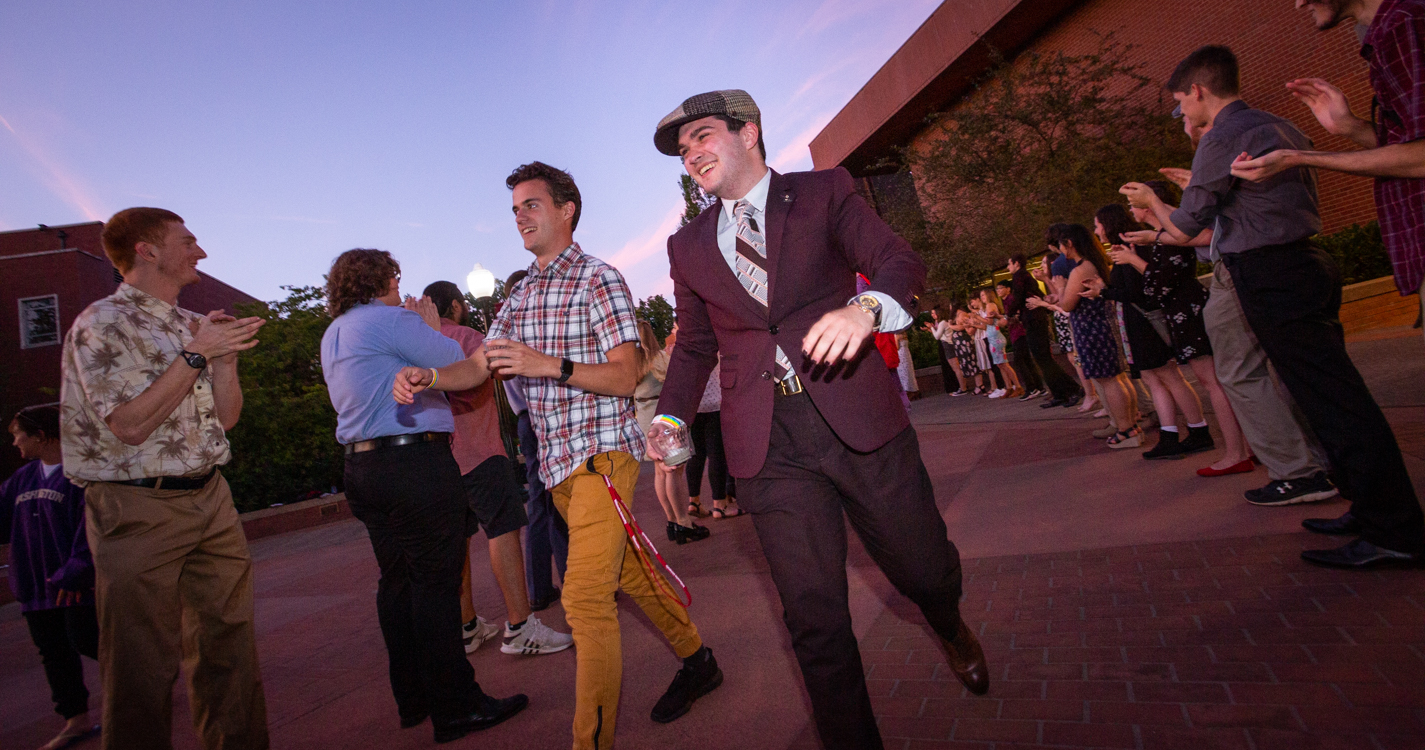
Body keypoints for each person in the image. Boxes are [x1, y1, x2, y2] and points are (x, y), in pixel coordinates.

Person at [649, 89, 988, 750]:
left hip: (856, 418)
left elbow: (897, 262)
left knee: (920, 568)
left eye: (703, 136)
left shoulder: (822, 192)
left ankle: (946, 622)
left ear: (748, 132)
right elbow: (693, 345)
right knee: (813, 617)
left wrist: (865, 310)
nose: (691, 154)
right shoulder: (685, 246)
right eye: (683, 148)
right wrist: (669, 416)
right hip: (766, 446)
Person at [397, 161, 715, 749]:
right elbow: (480, 366)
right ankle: (699, 659)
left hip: (604, 458)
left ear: (566, 209)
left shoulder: (599, 279)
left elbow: (627, 376)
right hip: (558, 468)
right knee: (629, 573)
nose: (519, 215)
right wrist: (432, 375)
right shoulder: (522, 294)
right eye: (514, 207)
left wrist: (549, 366)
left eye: (531, 204)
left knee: (585, 598)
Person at [1131, 44, 1424, 568]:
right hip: (1304, 262)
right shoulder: (1279, 125)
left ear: (1197, 91)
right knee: (1326, 395)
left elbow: (1186, 226)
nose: (1183, 115)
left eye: (1180, 104)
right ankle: (1369, 507)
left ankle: (1395, 529)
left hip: (1270, 272)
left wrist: (1155, 204)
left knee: (1335, 400)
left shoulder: (1220, 138)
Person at [59, 207, 269, 750]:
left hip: (212, 499)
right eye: (189, 240)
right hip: (137, 509)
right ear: (147, 251)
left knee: (231, 648)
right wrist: (199, 353)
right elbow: (128, 425)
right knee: (141, 665)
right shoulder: (101, 324)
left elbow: (226, 419)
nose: (200, 251)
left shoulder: (188, 324)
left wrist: (223, 362)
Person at [321, 249, 528, 743]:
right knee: (436, 585)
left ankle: (412, 697)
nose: (401, 283)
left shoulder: (334, 333)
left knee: (396, 582)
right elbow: (461, 368)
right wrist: (429, 328)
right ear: (379, 280)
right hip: (412, 462)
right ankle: (457, 705)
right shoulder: (392, 321)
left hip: (361, 465)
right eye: (394, 275)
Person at [1124, 151, 1336, 498]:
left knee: (1238, 375)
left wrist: (1155, 218)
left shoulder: (1234, 164)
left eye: (1190, 114)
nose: (1188, 123)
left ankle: (1294, 470)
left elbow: (1197, 234)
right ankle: (1310, 464)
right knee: (1275, 371)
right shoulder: (1248, 167)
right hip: (1259, 271)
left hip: (1238, 276)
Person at [1239, 0, 1425, 346]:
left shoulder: (1403, 24)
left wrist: (1297, 158)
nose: (1299, 3)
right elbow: (1410, 148)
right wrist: (1349, 127)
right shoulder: (1390, 32)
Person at [421, 280, 574, 656]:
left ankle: (467, 624)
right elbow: (478, 382)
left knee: (459, 539)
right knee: (502, 531)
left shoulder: (415, 342)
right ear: (455, 305)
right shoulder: (465, 337)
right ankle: (520, 626)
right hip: (479, 449)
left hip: (440, 458)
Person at [1116, 183, 1255, 472]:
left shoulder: (1169, 236)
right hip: (1183, 310)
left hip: (1187, 311)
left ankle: (1237, 454)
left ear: (1147, 205)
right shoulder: (1164, 236)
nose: (1130, 210)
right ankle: (1247, 447)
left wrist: (1132, 260)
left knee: (1215, 382)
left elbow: (1159, 282)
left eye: (1132, 203)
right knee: (1219, 381)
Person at [3, 405, 100, 750]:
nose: (14, 442)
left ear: (42, 435)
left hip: (73, 588)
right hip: (35, 588)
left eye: (19, 434)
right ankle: (75, 721)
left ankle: (143, 680)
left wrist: (75, 573)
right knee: (54, 654)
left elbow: (91, 529)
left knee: (87, 640)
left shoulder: (81, 475)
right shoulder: (21, 480)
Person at [1090, 203, 1217, 458]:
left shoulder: (1133, 248)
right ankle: (1177, 433)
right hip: (1139, 321)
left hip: (1144, 322)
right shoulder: (1128, 247)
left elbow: (1140, 290)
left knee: (1166, 377)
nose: (1096, 231)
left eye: (1097, 225)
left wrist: (1103, 291)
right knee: (1158, 378)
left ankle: (1193, 431)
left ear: (1108, 224)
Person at [1028, 224, 1141, 447]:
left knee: (1109, 380)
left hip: (1092, 329)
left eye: (1061, 244)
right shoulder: (1094, 262)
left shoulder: (1081, 268)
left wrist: (1059, 287)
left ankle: (1126, 429)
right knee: (1116, 378)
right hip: (1100, 325)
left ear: (1069, 244)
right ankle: (1130, 425)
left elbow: (1068, 304)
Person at [502, 270, 569, 613]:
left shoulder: (502, 335)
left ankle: (540, 587)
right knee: (562, 500)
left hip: (525, 421)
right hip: (545, 417)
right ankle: (575, 580)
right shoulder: (530, 328)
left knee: (540, 505)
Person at [634, 319, 710, 544]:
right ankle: (683, 522)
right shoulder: (659, 359)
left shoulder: (633, 364)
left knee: (660, 472)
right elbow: (679, 380)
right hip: (664, 416)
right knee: (674, 471)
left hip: (643, 415)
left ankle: (671, 521)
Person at [1004, 252, 1080, 402]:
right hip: (1035, 319)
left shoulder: (1020, 276)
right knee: (1043, 358)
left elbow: (1018, 297)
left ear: (1016, 264)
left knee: (1043, 358)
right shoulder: (1026, 278)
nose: (1008, 267)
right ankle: (1061, 392)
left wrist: (1010, 313)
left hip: (1034, 320)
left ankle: (1069, 389)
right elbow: (1033, 294)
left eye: (1009, 264)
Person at [995, 278, 1045, 399]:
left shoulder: (1012, 299)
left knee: (1020, 361)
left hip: (1020, 333)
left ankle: (1031, 388)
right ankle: (1039, 387)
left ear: (1008, 289)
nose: (998, 291)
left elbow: (1016, 316)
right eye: (997, 289)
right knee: (1027, 360)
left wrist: (1005, 320)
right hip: (1015, 333)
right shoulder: (1005, 301)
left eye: (1001, 288)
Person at [977, 288, 1023, 398]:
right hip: (992, 336)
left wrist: (978, 317)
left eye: (983, 295)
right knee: (1000, 364)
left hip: (995, 337)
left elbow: (990, 321)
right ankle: (1009, 387)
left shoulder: (990, 305)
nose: (982, 298)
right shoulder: (988, 306)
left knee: (1004, 364)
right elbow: (986, 325)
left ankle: (1017, 386)